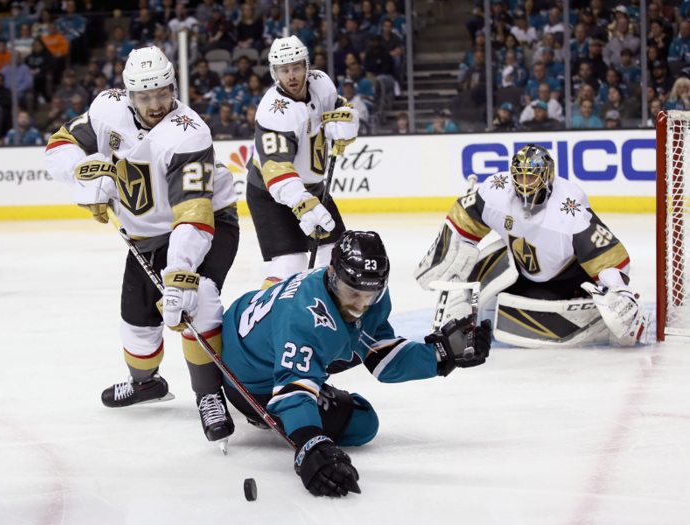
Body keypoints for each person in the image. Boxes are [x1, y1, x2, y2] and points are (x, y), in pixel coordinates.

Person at [44, 47, 241, 451]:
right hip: (145, 234)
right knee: (136, 321)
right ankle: (146, 383)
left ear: (173, 87)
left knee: (196, 299)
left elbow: (194, 212)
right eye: (145, 96)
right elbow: (60, 144)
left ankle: (209, 396)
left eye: (163, 93)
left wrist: (180, 273)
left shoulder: (188, 132)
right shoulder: (108, 108)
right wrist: (83, 179)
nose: (155, 104)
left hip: (206, 225)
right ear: (129, 93)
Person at [219, 230, 492, 497]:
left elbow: (380, 355)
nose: (360, 305)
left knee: (346, 349)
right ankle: (259, 413)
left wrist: (440, 354)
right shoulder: (302, 318)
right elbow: (292, 390)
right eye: (352, 293)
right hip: (250, 380)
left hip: (261, 338)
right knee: (362, 422)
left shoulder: (366, 290)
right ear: (331, 274)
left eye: (369, 294)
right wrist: (310, 444)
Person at [414, 144, 647, 348]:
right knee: (469, 268)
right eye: (520, 176)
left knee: (517, 318)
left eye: (532, 176)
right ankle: (459, 309)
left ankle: (580, 304)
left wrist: (617, 290)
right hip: (520, 268)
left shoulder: (569, 209)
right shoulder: (497, 189)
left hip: (565, 279)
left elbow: (604, 254)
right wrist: (452, 244)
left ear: (547, 176)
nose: (524, 184)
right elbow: (465, 213)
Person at [245, 36, 361, 289]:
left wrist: (347, 122)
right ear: (274, 73)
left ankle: (324, 314)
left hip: (313, 187)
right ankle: (267, 315)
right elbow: (276, 170)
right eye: (284, 70)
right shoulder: (274, 112)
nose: (292, 76)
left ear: (307, 66)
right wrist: (303, 205)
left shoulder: (321, 83)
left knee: (333, 255)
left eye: (297, 67)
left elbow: (338, 109)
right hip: (270, 192)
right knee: (291, 262)